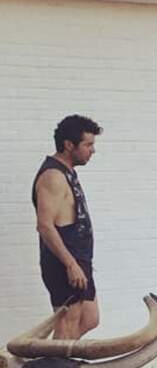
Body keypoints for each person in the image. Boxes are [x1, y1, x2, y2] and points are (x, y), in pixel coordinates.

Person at [31, 114, 103, 340]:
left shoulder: (67, 172)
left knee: (90, 318)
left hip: (80, 260)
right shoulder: (53, 176)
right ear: (69, 145)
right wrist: (71, 265)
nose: (93, 150)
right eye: (88, 145)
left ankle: (55, 356)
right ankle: (56, 360)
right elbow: (44, 226)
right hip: (63, 264)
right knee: (67, 323)